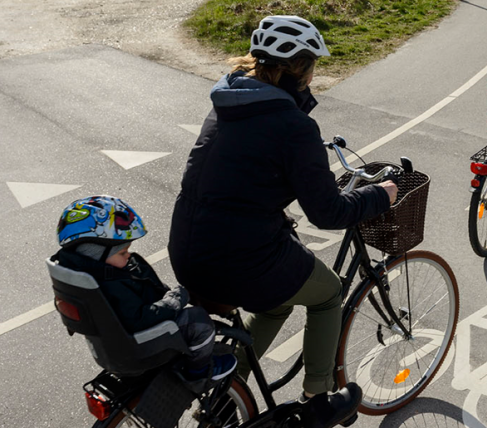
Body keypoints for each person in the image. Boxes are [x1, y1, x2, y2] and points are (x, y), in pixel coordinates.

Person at [168, 15, 397, 428]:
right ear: (301, 70)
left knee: (277, 299)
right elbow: (328, 212)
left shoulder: (227, 105)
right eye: (313, 69)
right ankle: (317, 401)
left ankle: (225, 385)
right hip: (237, 260)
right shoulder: (294, 126)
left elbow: (238, 177)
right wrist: (380, 194)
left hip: (187, 251)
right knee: (327, 293)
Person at [53, 195, 236, 389]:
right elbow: (140, 318)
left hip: (112, 349)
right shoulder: (111, 284)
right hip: (140, 347)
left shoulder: (83, 277)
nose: (129, 255)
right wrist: (174, 301)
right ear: (96, 255)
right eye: (122, 252)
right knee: (199, 322)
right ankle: (198, 373)